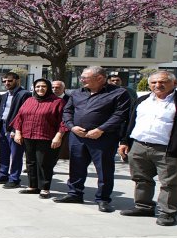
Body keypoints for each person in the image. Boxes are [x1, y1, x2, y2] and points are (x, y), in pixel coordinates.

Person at [118, 70, 177, 226]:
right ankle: (143, 206)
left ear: (174, 83)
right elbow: (129, 122)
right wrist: (124, 141)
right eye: (154, 82)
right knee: (141, 179)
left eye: (163, 82)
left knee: (170, 183)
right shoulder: (142, 100)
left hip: (169, 149)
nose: (158, 85)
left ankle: (168, 213)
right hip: (139, 146)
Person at [54, 66, 132, 212]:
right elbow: (67, 111)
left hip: (103, 138)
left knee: (104, 169)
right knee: (76, 167)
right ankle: (74, 193)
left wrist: (101, 129)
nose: (81, 80)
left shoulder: (119, 93)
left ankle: (103, 198)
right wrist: (72, 127)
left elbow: (120, 115)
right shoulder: (77, 93)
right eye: (81, 77)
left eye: (85, 78)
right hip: (78, 137)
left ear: (100, 78)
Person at [10, 79, 67, 198]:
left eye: (43, 86)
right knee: (30, 162)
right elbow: (20, 117)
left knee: (44, 163)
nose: (40, 89)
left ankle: (45, 188)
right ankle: (33, 186)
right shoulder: (29, 100)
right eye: (37, 86)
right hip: (28, 136)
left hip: (46, 137)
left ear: (49, 88)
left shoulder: (58, 102)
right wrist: (18, 132)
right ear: (34, 88)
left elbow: (64, 121)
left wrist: (59, 136)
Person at [0, 72, 30, 188]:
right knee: (3, 153)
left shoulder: (25, 94)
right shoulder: (4, 95)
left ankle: (14, 178)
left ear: (17, 80)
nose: (6, 83)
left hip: (15, 128)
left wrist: (16, 129)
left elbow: (24, 114)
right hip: (3, 126)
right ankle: (2, 175)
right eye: (4, 81)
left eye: (9, 81)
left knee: (16, 154)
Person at [52, 80, 71, 161]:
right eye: (53, 87)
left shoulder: (69, 99)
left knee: (59, 150)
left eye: (57, 87)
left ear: (64, 88)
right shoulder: (48, 98)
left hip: (64, 128)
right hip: (50, 127)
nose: (55, 89)